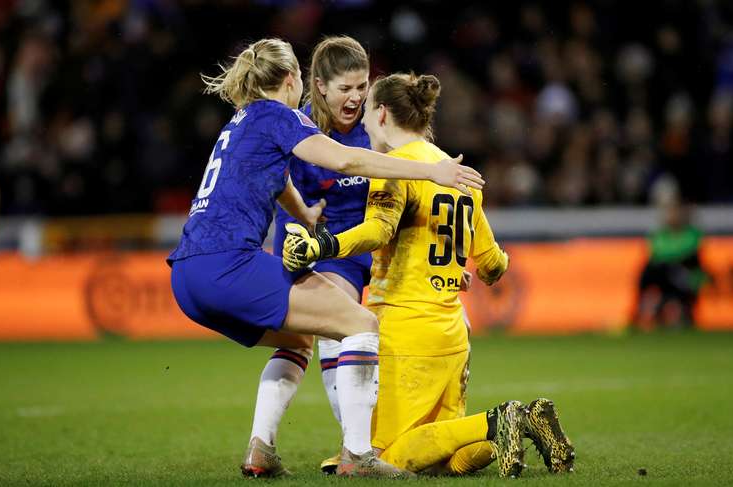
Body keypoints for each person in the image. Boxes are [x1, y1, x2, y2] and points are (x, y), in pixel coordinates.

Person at [166, 39, 484, 479]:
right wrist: (434, 170)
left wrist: (306, 214)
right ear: (297, 79)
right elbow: (347, 159)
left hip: (186, 275)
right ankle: (359, 454)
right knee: (358, 323)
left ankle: (262, 449)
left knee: (296, 339)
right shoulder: (281, 116)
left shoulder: (241, 122)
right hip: (229, 264)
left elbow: (275, 182)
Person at [282, 72, 575, 477]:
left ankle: (505, 418)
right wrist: (458, 267)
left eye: (367, 112)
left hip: (405, 333)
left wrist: (323, 245)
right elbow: (492, 263)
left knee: (383, 459)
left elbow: (378, 231)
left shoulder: (396, 169)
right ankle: (513, 428)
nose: (364, 125)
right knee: (443, 459)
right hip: (453, 335)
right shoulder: (457, 174)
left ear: (382, 114)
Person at [259, 36, 373, 474]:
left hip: (354, 253)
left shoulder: (374, 131)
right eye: (346, 88)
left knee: (305, 342)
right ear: (320, 86)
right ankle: (358, 448)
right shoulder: (297, 129)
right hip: (303, 250)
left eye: (362, 86)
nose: (356, 97)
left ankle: (260, 444)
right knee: (329, 332)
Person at [633, 197, 708, 329]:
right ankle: (641, 313)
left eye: (675, 213)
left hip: (686, 275)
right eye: (670, 213)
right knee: (650, 270)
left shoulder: (692, 234)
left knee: (669, 269)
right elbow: (656, 253)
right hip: (663, 275)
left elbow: (686, 256)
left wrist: (668, 259)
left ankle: (679, 314)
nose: (672, 216)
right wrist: (668, 260)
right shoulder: (660, 235)